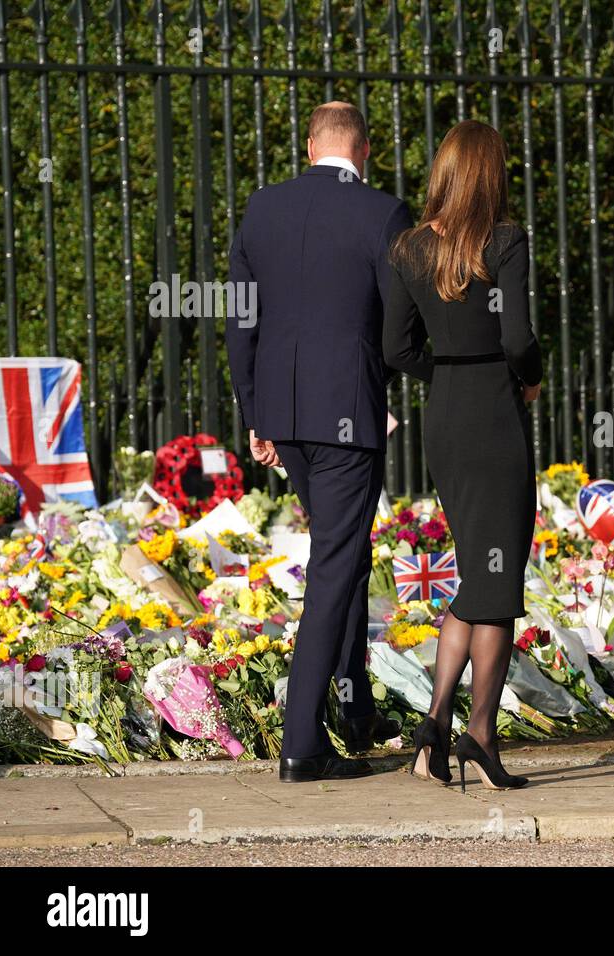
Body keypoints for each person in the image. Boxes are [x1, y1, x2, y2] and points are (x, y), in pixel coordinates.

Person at [227, 102, 410, 782]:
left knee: (346, 551)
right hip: (346, 413)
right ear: (364, 149)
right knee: (337, 560)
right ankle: (303, 740)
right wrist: (385, 378)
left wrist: (256, 414)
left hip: (283, 410)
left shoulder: (262, 207)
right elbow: (398, 327)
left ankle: (355, 704)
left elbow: (241, 322)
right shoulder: (382, 212)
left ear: (310, 145)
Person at [383, 120, 541, 791]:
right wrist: (529, 375)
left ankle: (434, 731)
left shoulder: (409, 249)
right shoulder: (505, 242)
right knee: (495, 585)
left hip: (445, 413)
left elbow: (395, 348)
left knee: (479, 573)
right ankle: (476, 734)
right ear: (490, 174)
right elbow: (518, 338)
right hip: (495, 414)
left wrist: (443, 367)